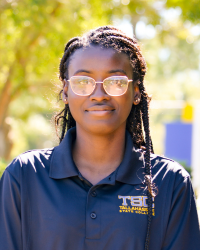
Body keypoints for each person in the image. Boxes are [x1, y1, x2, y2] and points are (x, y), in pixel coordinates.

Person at [0, 26, 199, 250]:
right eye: (83, 81)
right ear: (66, 91)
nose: (99, 95)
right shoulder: (25, 176)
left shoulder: (169, 182)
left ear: (135, 92)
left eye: (115, 81)